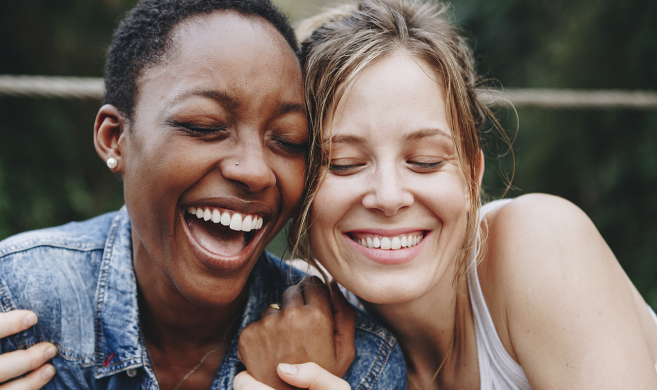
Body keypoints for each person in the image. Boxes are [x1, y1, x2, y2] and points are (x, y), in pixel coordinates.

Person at [0, 1, 407, 389]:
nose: (256, 171)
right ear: (115, 138)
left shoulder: (356, 358)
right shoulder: (29, 300)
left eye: (287, 140)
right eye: (204, 126)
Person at [232, 0, 657, 389]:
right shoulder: (307, 317)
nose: (389, 195)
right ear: (302, 186)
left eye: (425, 161)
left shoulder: (541, 241)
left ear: (472, 175)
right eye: (343, 163)